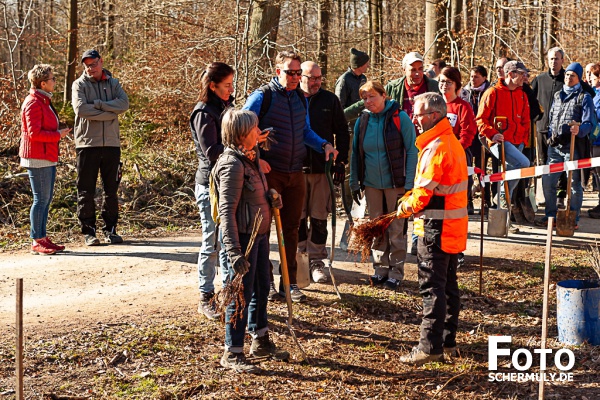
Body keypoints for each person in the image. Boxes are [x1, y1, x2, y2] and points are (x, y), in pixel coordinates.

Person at [243, 50, 338, 303]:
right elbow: (240, 127)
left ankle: (290, 283)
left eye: (298, 73)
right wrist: (256, 158)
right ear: (278, 72)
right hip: (267, 173)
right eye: (290, 72)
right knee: (261, 231)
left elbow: (305, 131)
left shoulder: (300, 97)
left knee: (292, 230)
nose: (295, 77)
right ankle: (266, 283)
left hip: (295, 172)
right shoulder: (262, 96)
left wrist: (324, 145)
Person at [214, 109, 289, 374]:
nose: (259, 132)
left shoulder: (250, 158)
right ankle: (232, 353)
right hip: (242, 240)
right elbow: (226, 211)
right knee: (240, 295)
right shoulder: (232, 165)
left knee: (260, 286)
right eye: (254, 129)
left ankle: (261, 341)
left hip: (258, 235)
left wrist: (271, 196)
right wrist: (234, 252)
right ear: (241, 134)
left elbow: (255, 192)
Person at [396, 92, 468, 366]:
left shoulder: (436, 147)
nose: (415, 118)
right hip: (451, 226)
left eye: (420, 114)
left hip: (435, 227)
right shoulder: (450, 142)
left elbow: (423, 195)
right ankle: (447, 342)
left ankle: (429, 347)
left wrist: (404, 206)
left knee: (432, 288)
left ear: (434, 115)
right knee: (448, 285)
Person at [349, 81, 418, 290]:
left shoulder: (400, 118)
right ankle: (380, 269)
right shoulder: (362, 121)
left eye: (372, 97)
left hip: (396, 184)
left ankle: (396, 272)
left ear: (384, 95)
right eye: (364, 98)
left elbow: (413, 151)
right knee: (377, 227)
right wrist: (354, 181)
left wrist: (408, 184)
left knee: (396, 228)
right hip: (371, 184)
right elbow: (355, 154)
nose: (368, 102)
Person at [189, 62, 234, 319]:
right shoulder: (204, 112)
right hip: (209, 185)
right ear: (212, 86)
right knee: (212, 241)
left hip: (228, 181)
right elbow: (213, 152)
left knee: (229, 241)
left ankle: (229, 291)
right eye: (226, 85)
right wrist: (241, 148)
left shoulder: (226, 106)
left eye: (231, 85)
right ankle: (205, 295)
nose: (230, 89)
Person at [298, 61, 349, 283]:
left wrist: (341, 162)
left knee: (319, 218)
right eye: (312, 78)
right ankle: (299, 259)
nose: (316, 82)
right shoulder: (292, 99)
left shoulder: (330, 100)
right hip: (295, 170)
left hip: (322, 169)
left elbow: (342, 132)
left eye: (319, 78)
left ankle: (317, 261)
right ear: (300, 77)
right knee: (297, 220)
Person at [72, 49, 129, 245]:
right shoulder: (78, 84)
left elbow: (123, 104)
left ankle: (110, 230)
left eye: (93, 64)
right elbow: (80, 109)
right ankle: (89, 232)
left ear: (101, 62)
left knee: (111, 190)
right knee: (86, 191)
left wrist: (96, 106)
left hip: (112, 144)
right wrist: (108, 109)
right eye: (87, 65)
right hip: (87, 144)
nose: (90, 68)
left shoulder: (113, 83)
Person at [534, 63, 595, 229]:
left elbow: (590, 123)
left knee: (574, 184)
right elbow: (553, 117)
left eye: (572, 76)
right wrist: (552, 134)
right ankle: (551, 216)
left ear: (579, 78)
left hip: (573, 147)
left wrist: (579, 129)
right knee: (548, 182)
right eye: (567, 75)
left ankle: (572, 218)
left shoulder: (584, 98)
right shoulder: (557, 95)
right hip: (555, 147)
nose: (568, 78)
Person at [19, 64, 72, 255]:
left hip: (46, 156)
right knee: (40, 199)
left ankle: (42, 236)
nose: (55, 81)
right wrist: (58, 135)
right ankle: (36, 240)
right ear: (43, 83)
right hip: (37, 157)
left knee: (45, 199)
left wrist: (58, 133)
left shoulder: (43, 101)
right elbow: (34, 134)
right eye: (52, 78)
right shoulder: (33, 102)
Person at [476, 60, 531, 232]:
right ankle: (499, 201)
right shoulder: (492, 92)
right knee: (524, 164)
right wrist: (492, 134)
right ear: (511, 74)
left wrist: (522, 139)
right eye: (522, 74)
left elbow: (525, 120)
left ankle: (501, 215)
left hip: (517, 142)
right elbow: (480, 119)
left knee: (507, 177)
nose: (525, 77)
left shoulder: (522, 94)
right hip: (498, 141)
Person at [343, 51, 440, 122]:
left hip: (428, 140)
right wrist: (341, 115)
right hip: (400, 142)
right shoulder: (393, 87)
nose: (418, 73)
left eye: (420, 69)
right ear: (404, 70)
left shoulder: (434, 87)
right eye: (413, 70)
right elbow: (368, 101)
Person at [438, 66, 477, 218]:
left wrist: (453, 151)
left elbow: (467, 134)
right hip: (437, 156)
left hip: (458, 155)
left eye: (448, 82)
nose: (444, 85)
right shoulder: (434, 104)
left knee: (457, 195)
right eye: (441, 81)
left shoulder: (463, 106)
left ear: (457, 85)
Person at [335, 48, 369, 209]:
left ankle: (359, 202)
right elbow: (338, 111)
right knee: (348, 166)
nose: (368, 65)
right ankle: (346, 203)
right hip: (348, 131)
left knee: (362, 164)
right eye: (366, 62)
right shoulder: (344, 80)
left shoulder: (363, 78)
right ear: (360, 64)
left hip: (363, 127)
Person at [588, 63, 600, 219]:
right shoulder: (594, 93)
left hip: (599, 141)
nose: (590, 78)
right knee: (597, 175)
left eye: (593, 76)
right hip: (594, 140)